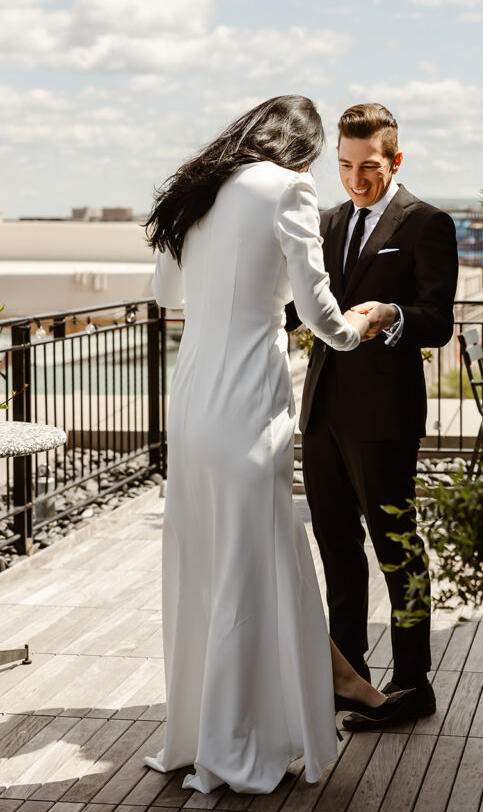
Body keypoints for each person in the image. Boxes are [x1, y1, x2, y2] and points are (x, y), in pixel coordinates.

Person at [142, 96, 412, 795]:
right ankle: (242, 744)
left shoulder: (197, 191)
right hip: (247, 402)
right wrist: (361, 324)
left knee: (211, 564)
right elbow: (319, 311)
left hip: (194, 399)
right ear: (304, 147)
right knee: (250, 562)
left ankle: (219, 727)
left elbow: (168, 292)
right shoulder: (288, 187)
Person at [291, 102, 459, 730]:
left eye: (369, 167)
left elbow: (437, 322)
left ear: (395, 160)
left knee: (396, 549)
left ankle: (413, 684)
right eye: (343, 166)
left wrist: (390, 313)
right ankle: (349, 678)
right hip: (322, 414)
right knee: (336, 548)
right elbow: (302, 307)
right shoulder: (327, 221)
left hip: (385, 416)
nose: (356, 180)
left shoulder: (427, 223)